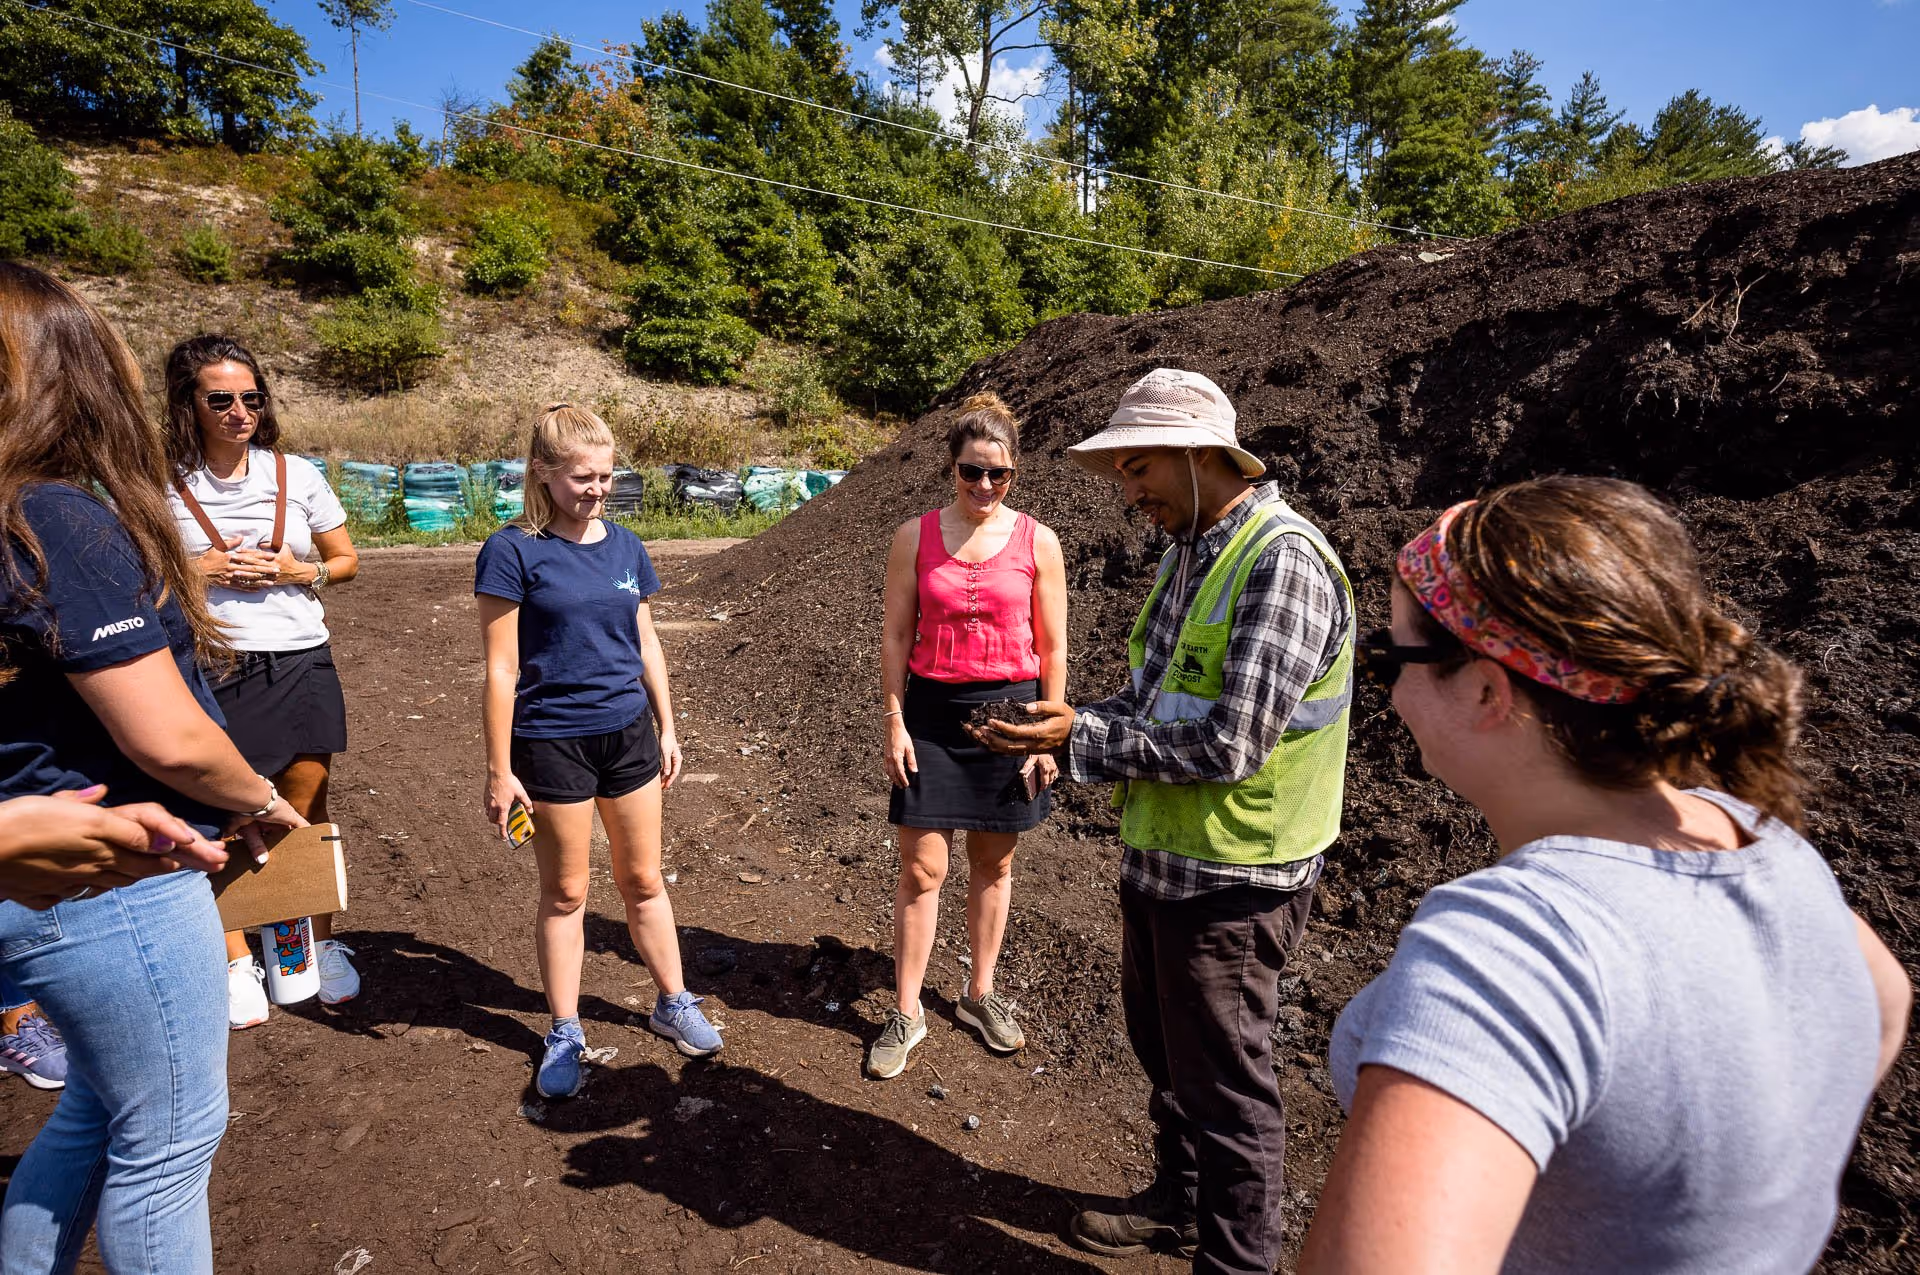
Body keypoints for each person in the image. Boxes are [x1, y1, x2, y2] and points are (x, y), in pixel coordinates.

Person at [1296, 477, 1912, 1274]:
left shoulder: (1518, 942)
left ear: (1487, 687)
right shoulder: (1760, 843)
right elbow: (1886, 996)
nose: (1387, 694)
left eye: (1390, 660)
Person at [975, 369, 1354, 1273]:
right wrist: (1058, 736)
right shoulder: (1192, 548)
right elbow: (1155, 697)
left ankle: (1236, 1264)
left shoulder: (1280, 562)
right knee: (1168, 1055)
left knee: (1226, 1088)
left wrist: (1087, 736)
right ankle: (1178, 1205)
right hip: (1166, 858)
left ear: (1197, 456)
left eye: (1139, 468)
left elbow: (1231, 745)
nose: (1130, 492)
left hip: (1237, 878)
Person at [0, 261, 305, 1274]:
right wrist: (258, 800)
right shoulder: (58, 521)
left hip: (36, 863)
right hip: (112, 875)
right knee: (169, 1144)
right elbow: (165, 735)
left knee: (93, 1110)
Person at [476, 403, 721, 1101]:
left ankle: (672, 1001)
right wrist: (500, 769)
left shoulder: (627, 546)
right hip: (552, 740)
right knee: (567, 891)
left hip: (628, 735)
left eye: (607, 476)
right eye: (583, 476)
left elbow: (647, 643)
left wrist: (668, 725)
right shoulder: (512, 550)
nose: (597, 489)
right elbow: (500, 670)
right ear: (543, 473)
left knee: (644, 880)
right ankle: (563, 1029)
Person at [162, 334, 362, 1029]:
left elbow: (344, 561)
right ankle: (232, 952)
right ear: (189, 402)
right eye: (221, 398)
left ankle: (306, 938)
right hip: (214, 665)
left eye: (251, 397)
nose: (239, 410)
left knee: (304, 799)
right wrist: (198, 573)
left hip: (301, 656)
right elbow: (129, 576)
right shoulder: (157, 482)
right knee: (222, 807)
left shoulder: (297, 475)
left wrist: (296, 571)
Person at [867, 392, 1068, 1080]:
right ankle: (906, 1008)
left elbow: (1053, 647)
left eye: (998, 474)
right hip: (931, 712)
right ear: (950, 467)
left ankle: (980, 992)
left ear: (1014, 473)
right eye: (971, 471)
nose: (984, 486)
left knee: (995, 863)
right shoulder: (913, 537)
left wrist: (1045, 734)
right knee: (923, 868)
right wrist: (893, 719)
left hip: (1009, 715)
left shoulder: (1038, 540)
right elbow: (895, 636)